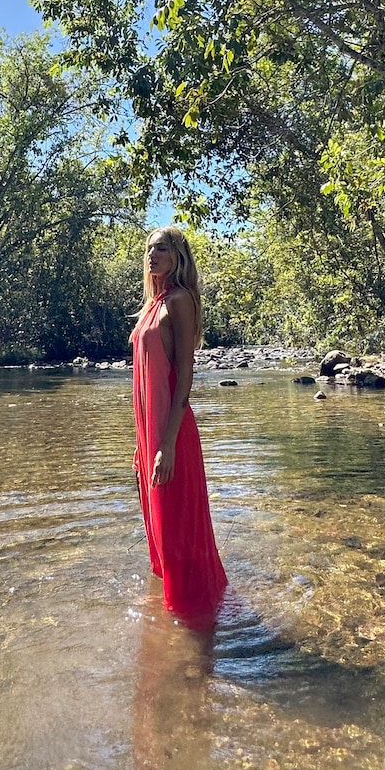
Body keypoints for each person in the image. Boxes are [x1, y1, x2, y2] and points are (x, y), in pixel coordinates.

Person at [131, 227, 227, 623]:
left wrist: (166, 444)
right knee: (158, 527)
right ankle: (173, 618)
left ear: (178, 255)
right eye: (149, 248)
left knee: (175, 528)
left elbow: (185, 373)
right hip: (149, 431)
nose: (153, 254)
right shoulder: (152, 304)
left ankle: (193, 619)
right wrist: (142, 444)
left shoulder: (180, 301)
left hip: (171, 431)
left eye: (162, 248)